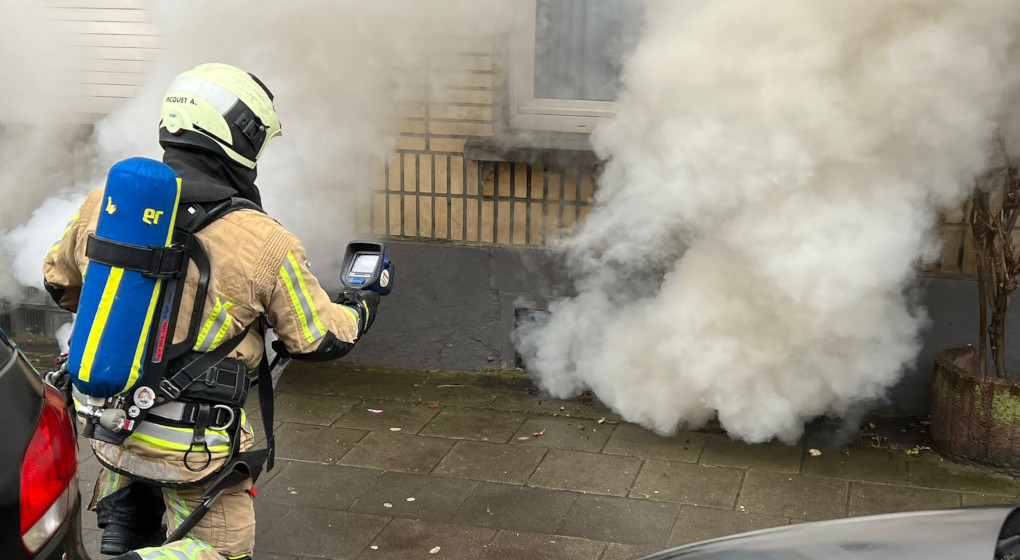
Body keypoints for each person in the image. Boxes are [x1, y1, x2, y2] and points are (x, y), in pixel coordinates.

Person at [42, 63, 380, 560]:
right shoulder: (264, 240)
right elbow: (316, 339)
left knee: (127, 510)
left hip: (111, 428)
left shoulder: (104, 205)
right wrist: (363, 305)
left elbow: (59, 280)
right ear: (238, 139)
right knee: (221, 553)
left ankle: (123, 527)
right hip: (191, 449)